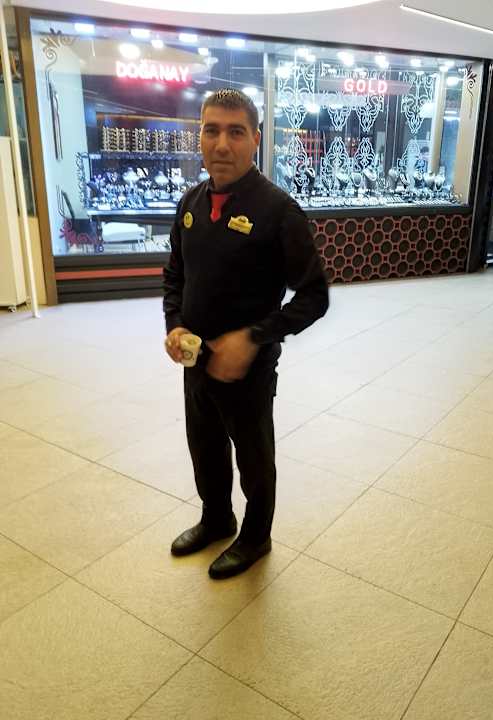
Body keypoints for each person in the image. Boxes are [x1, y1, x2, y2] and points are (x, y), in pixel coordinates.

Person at [163, 89, 329, 580]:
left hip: (249, 368)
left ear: (255, 139)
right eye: (211, 130)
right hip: (196, 361)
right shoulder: (190, 204)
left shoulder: (278, 210)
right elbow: (175, 275)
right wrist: (175, 324)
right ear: (199, 137)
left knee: (254, 458)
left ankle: (256, 536)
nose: (222, 143)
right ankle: (217, 518)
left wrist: (254, 337)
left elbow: (314, 296)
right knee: (204, 446)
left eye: (235, 132)